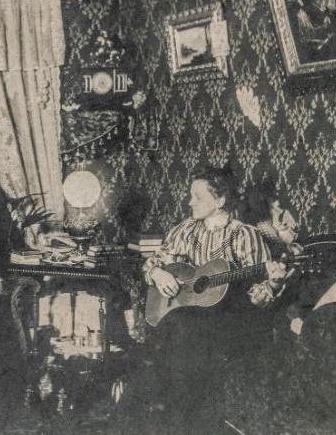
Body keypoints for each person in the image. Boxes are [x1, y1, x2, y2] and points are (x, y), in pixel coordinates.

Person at [118, 166, 291, 433]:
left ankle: (171, 416)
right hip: (187, 320)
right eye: (191, 195)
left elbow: (260, 298)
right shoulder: (185, 230)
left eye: (197, 196)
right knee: (180, 324)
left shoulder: (244, 235)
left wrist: (275, 280)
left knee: (179, 328)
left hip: (232, 321)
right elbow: (153, 262)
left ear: (220, 200)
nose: (189, 201)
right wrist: (158, 272)